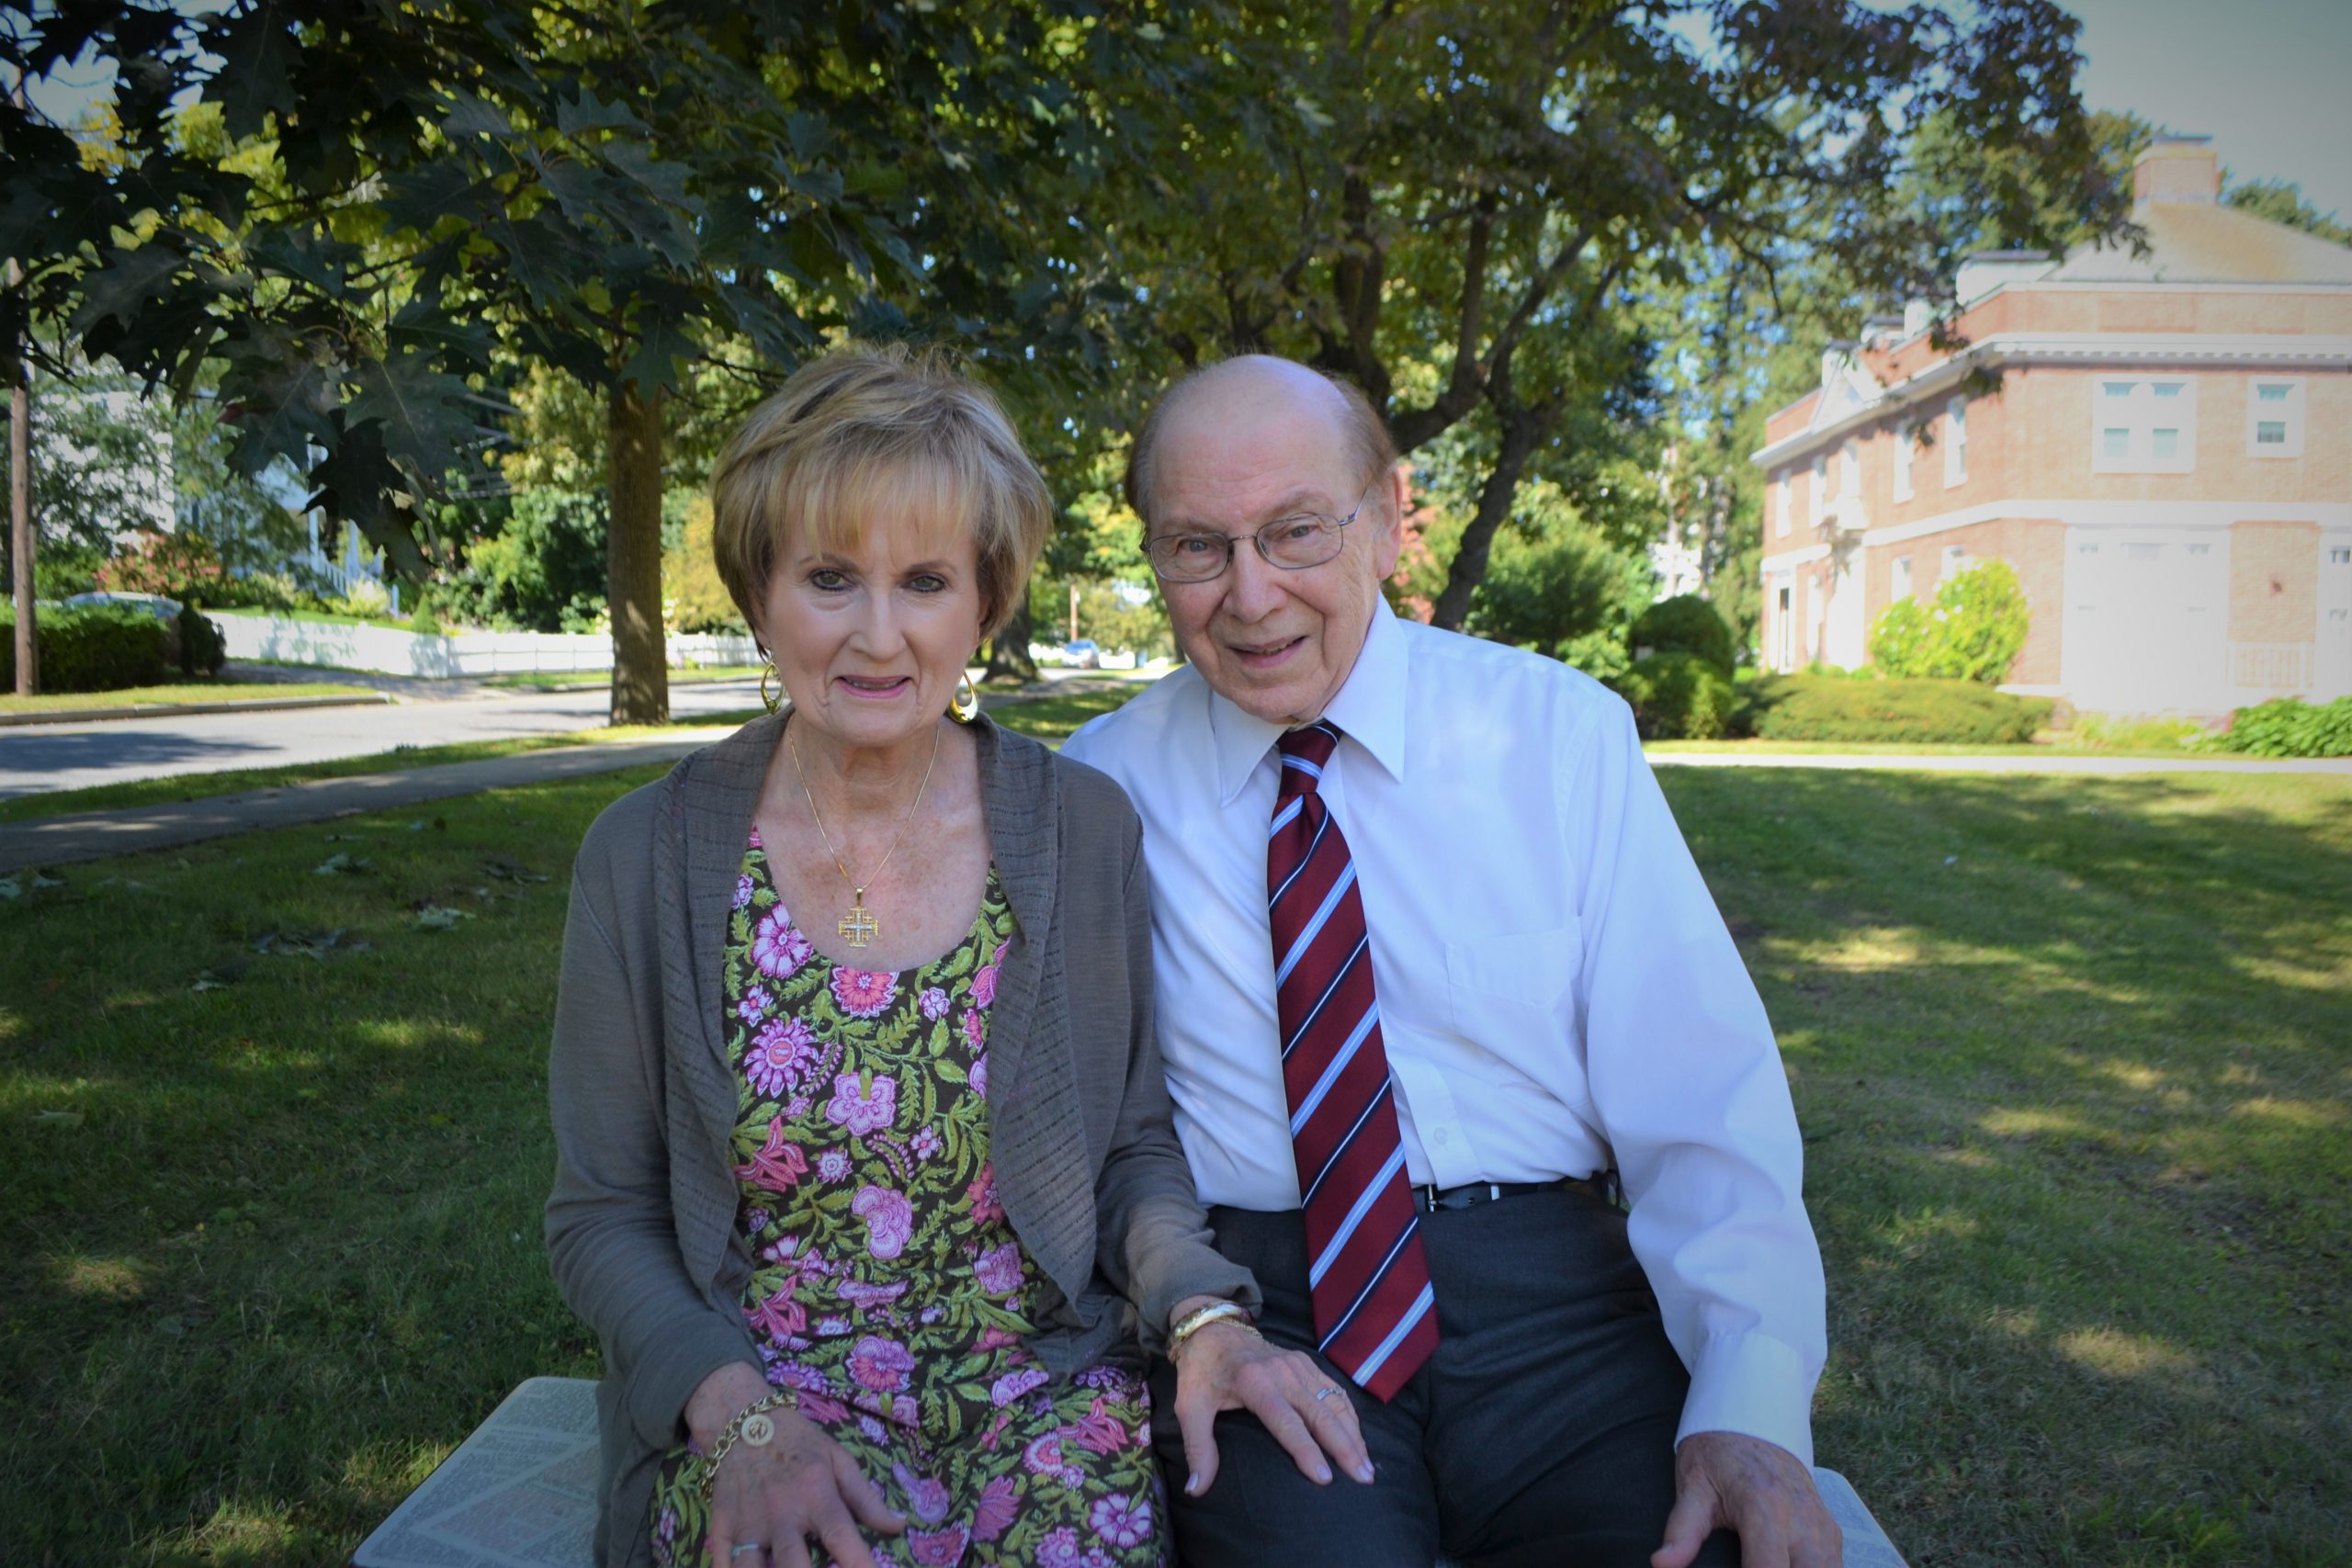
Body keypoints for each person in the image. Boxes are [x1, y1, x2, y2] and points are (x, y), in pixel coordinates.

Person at [545, 345, 1362, 1568]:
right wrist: (734, 1415)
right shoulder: (644, 856)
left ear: (985, 601)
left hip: (1038, 1381)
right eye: (830, 578)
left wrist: (1200, 1311)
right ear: (759, 590)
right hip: (760, 1387)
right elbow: (602, 1218)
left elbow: (1132, 1147)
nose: (879, 637)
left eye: (925, 580)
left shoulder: (1080, 830)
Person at [1060, 355, 1839, 1568]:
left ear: (1388, 518)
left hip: (1562, 1316)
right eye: (1197, 547)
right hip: (1274, 1316)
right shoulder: (1101, 789)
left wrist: (1751, 1405)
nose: (1251, 596)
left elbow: (1701, 1103)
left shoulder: (1555, 736)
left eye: (1296, 532)